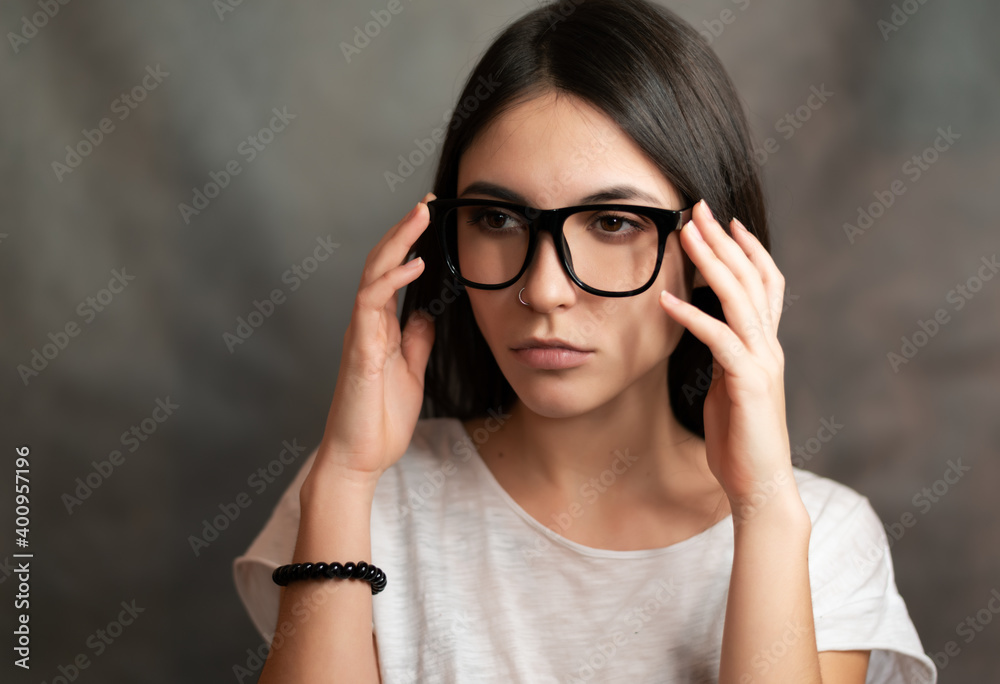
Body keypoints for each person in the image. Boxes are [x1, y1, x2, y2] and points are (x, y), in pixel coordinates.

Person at [233, 0, 938, 681]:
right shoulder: (362, 501)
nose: (543, 291)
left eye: (612, 224)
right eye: (497, 220)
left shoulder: (819, 533)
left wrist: (762, 512)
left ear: (707, 254)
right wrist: (346, 478)